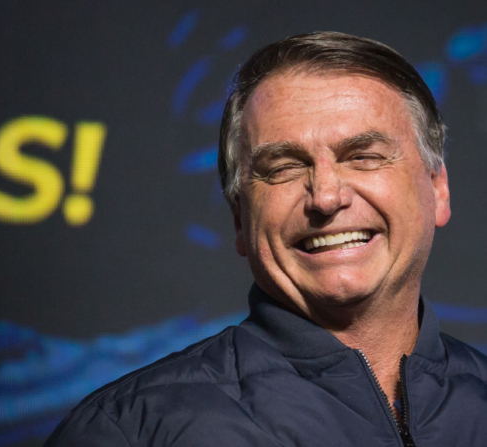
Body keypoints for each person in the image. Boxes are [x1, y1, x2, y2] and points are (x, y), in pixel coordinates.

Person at [45, 31, 487, 446]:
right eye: (283, 168)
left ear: (438, 188)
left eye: (363, 157)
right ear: (239, 218)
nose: (327, 197)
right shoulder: (129, 430)